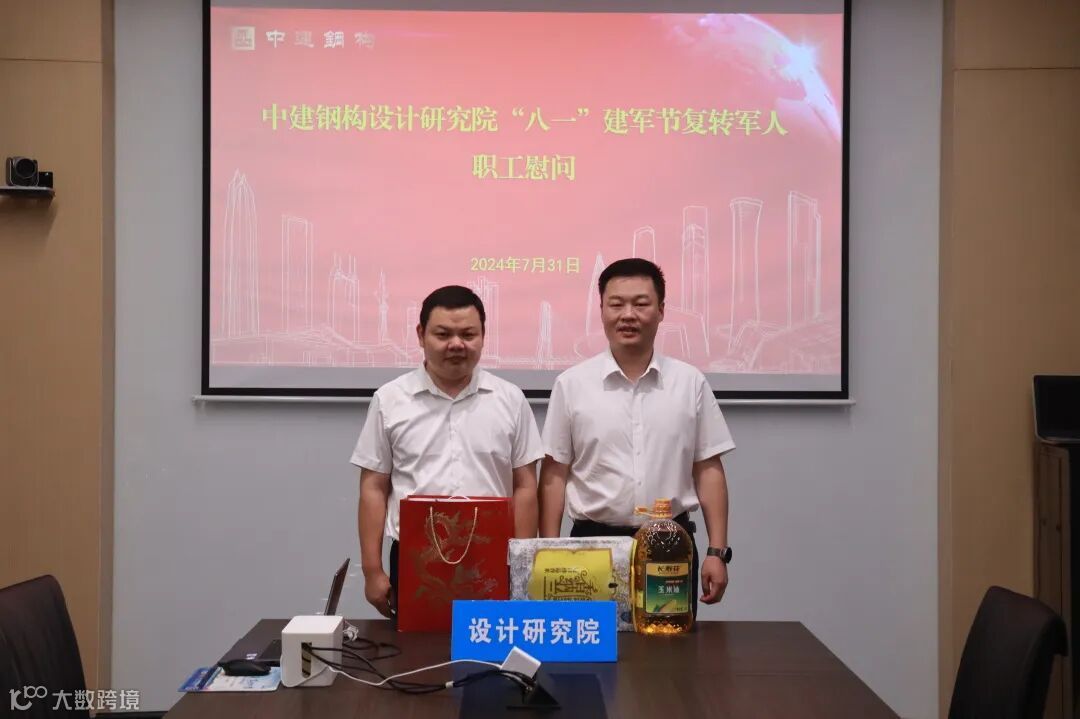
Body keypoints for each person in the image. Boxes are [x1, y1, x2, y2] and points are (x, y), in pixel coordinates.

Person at [538, 258, 735, 612]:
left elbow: (708, 469)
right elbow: (554, 474)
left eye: (641, 304)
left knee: (670, 643)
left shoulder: (689, 382)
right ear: (601, 310)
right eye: (616, 304)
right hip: (591, 547)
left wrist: (717, 552)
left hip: (669, 547)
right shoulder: (572, 384)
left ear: (661, 311)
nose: (628, 315)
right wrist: (547, 552)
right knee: (591, 642)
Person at [351, 285, 543, 618]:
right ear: (421, 334)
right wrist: (372, 570)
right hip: (416, 558)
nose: (456, 344)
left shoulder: (510, 399)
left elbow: (525, 486)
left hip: (494, 559)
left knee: (491, 644)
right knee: (416, 649)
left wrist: (523, 566)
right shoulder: (390, 400)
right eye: (443, 334)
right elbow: (373, 488)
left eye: (468, 334)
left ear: (483, 336)